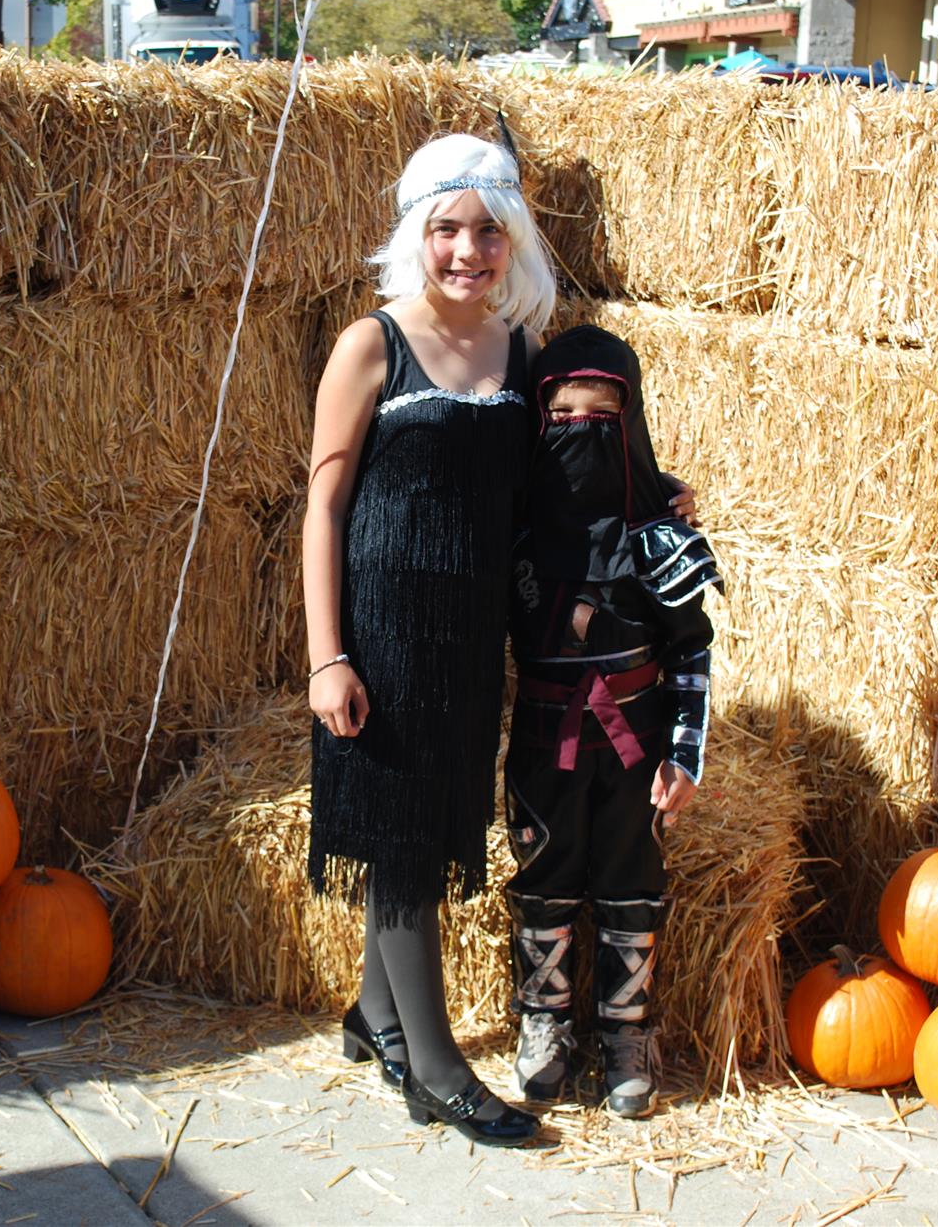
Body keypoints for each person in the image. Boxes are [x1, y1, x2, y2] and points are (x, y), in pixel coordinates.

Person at [303, 132, 555, 1146]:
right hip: (383, 633)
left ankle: (373, 1014)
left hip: (468, 637)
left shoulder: (522, 352)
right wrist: (329, 655)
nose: (467, 250)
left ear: (514, 244)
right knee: (402, 846)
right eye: (447, 229)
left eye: (488, 232)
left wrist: (652, 492)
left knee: (436, 827)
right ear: (416, 234)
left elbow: (540, 495)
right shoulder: (375, 343)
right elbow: (321, 506)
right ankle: (437, 1070)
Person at [502, 325, 721, 1119]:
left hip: (634, 743)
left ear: (625, 424)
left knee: (633, 881)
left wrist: (684, 757)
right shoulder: (513, 526)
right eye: (561, 421)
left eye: (599, 421)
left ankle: (626, 1032)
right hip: (542, 740)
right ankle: (544, 1023)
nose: (580, 436)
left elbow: (691, 650)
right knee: (544, 876)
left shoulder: (660, 534)